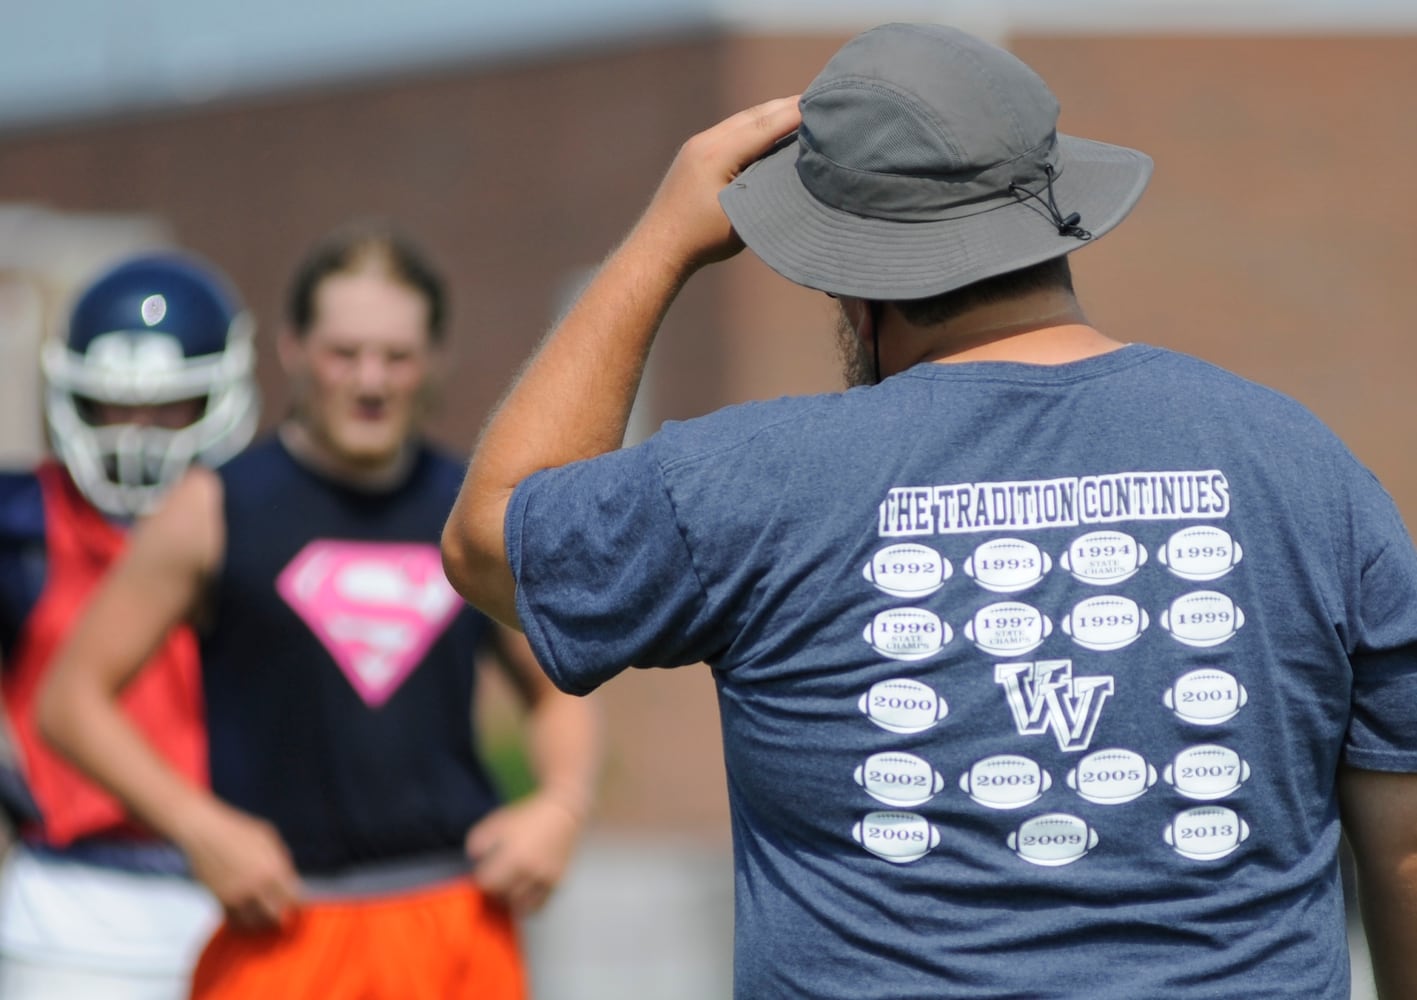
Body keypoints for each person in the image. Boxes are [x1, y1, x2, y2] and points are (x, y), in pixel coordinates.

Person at [439, 22, 1417, 1000]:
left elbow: (491, 541)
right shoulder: (1303, 465)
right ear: (1057, 219)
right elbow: (1405, 846)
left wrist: (662, 241)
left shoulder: (749, 482)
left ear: (851, 277)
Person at [40, 222, 601, 1000]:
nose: (370, 380)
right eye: (344, 352)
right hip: (284, 933)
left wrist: (561, 804)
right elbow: (70, 701)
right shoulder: (214, 508)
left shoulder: (472, 515)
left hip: (458, 930)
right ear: (292, 350)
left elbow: (556, 693)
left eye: (396, 356)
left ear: (435, 358)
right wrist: (197, 826)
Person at [0, 251, 258, 998]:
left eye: (167, 406)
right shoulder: (25, 524)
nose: (137, 433)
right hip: (72, 905)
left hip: (251, 891)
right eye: (112, 406)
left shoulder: (268, 512)